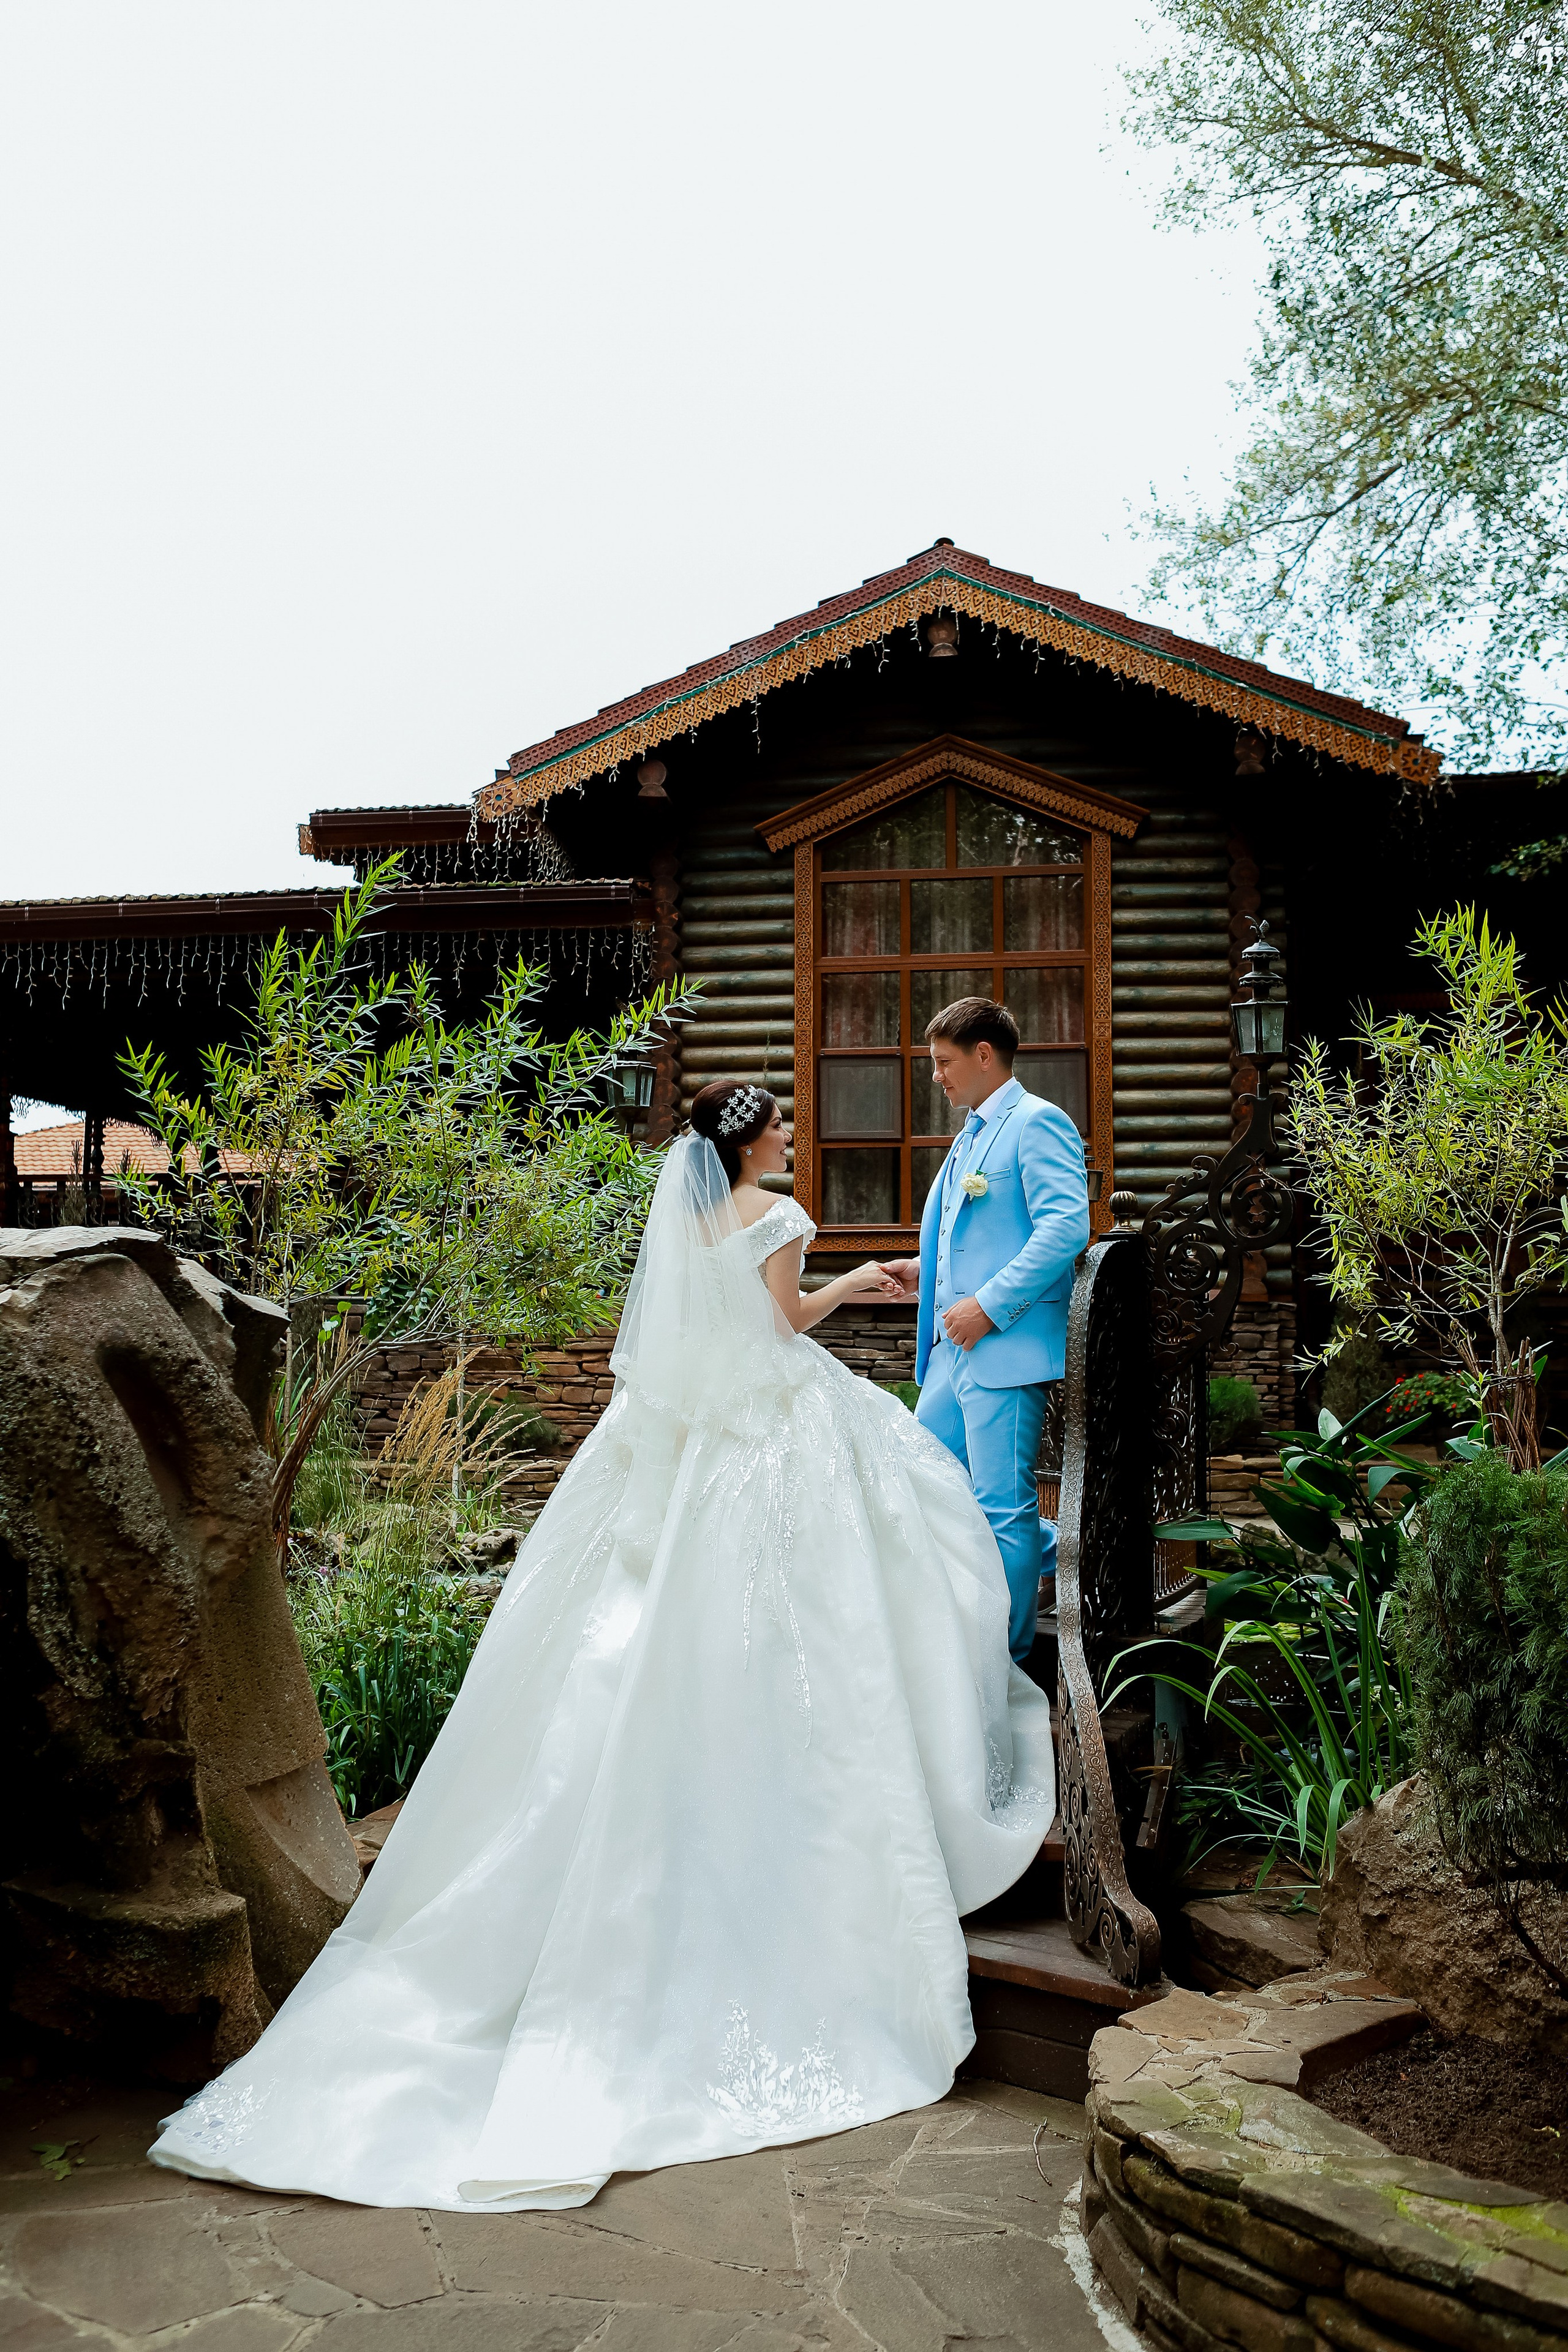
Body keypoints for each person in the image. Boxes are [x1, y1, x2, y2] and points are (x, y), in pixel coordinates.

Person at [148, 1079, 1055, 2214]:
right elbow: (785, 1325)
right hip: (772, 1421)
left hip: (680, 1435)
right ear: (748, 1142)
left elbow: (694, 1334)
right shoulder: (779, 1215)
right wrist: (856, 1283)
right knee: (886, 1563)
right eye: (779, 1124)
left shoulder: (690, 1218)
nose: (789, 1134)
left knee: (641, 1623)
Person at [882, 998, 1091, 1666]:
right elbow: (981, 1236)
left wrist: (990, 1307)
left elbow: (1066, 1227)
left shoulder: (1038, 1122)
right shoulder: (971, 1134)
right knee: (921, 1480)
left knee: (1001, 1507)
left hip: (1004, 1348)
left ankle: (1008, 1661)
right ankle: (1053, 1549)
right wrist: (923, 1273)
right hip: (950, 1352)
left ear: (982, 1055)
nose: (936, 1076)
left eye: (943, 1062)